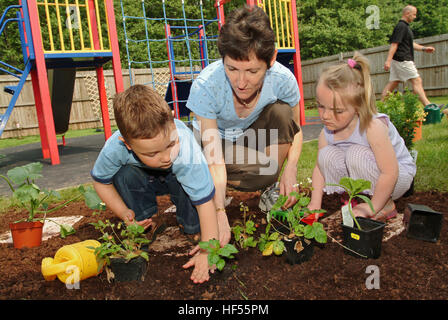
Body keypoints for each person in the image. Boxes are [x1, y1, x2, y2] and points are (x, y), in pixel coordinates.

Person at [186, 6, 303, 243]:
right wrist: (219, 214)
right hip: (212, 146)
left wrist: (290, 169)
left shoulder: (282, 80)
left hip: (248, 140)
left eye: (252, 71)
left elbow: (296, 130)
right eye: (232, 69)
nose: (241, 82)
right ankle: (207, 191)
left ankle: (269, 186)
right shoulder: (207, 85)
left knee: (281, 113)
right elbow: (215, 156)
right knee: (191, 155)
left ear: (271, 60)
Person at [90, 84, 220, 284]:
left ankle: (192, 227)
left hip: (178, 178)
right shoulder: (114, 148)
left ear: (174, 125)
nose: (166, 157)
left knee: (188, 186)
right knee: (123, 174)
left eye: (169, 144)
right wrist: (125, 214)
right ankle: (144, 225)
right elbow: (101, 182)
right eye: (152, 153)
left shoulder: (185, 150)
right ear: (127, 144)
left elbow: (205, 202)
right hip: (143, 178)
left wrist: (207, 251)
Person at [307, 52, 416, 220]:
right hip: (369, 171)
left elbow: (390, 172)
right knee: (325, 156)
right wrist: (314, 204)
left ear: (358, 107)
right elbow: (319, 169)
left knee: (355, 154)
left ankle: (384, 203)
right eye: (321, 106)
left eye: (337, 110)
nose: (326, 116)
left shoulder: (372, 127)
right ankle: (356, 197)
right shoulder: (326, 132)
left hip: (397, 178)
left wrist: (372, 207)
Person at [382, 5, 435, 107]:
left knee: (393, 83)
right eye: (414, 14)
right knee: (417, 80)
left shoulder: (404, 27)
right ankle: (429, 106)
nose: (415, 17)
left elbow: (410, 44)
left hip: (398, 60)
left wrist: (424, 48)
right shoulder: (401, 27)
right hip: (403, 60)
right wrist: (388, 61)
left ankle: (381, 107)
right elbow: (394, 44)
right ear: (407, 13)